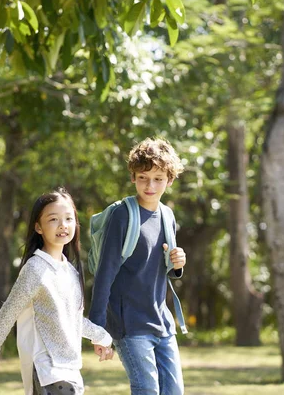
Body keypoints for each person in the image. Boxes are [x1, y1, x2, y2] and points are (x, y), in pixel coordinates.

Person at [0, 188, 113, 395]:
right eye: (53, 219)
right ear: (38, 227)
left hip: (70, 369)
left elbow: (73, 320)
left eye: (69, 218)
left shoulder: (69, 270)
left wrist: (102, 338)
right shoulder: (35, 269)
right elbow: (7, 315)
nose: (63, 225)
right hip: (46, 369)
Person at [89, 137, 187, 395]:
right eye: (143, 177)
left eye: (158, 178)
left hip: (162, 322)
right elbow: (105, 274)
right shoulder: (123, 215)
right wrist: (97, 329)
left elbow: (162, 266)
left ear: (170, 180)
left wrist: (178, 264)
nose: (150, 185)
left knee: (174, 391)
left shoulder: (167, 215)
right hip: (129, 325)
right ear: (133, 177)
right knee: (147, 391)